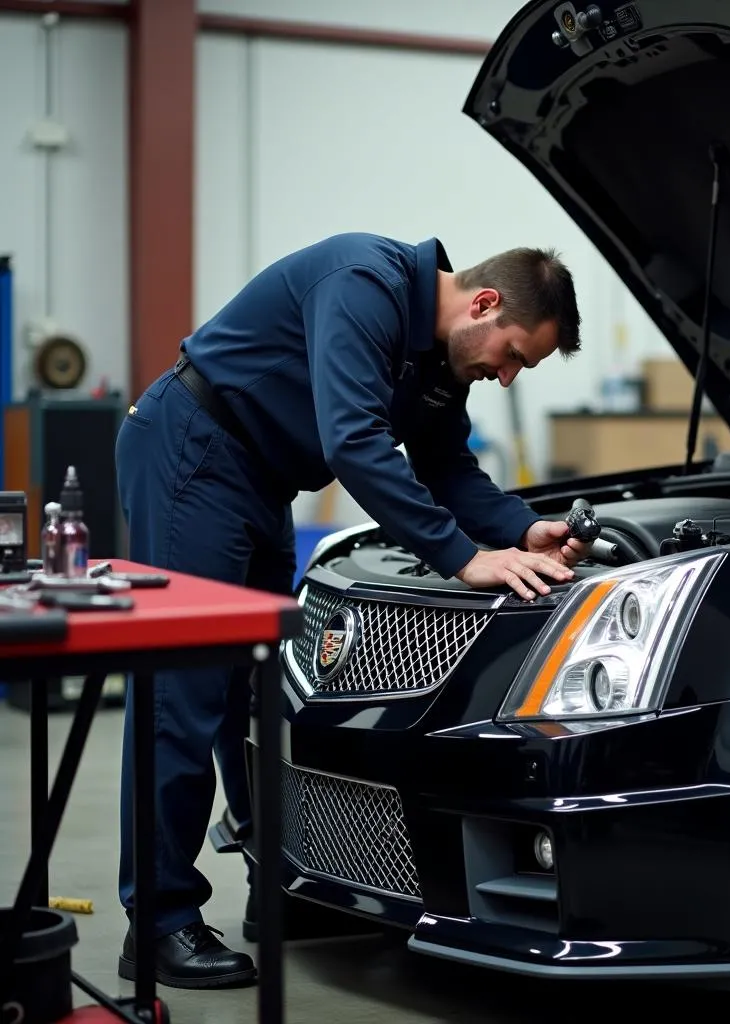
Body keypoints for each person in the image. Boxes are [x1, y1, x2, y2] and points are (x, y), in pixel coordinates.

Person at [113, 232, 587, 989]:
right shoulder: (363, 282)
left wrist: (519, 528)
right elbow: (355, 442)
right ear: (484, 304)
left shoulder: (437, 358)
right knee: (184, 695)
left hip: (260, 478)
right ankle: (159, 924)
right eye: (512, 356)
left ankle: (277, 888)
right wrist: (464, 558)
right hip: (192, 450)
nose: (504, 376)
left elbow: (447, 467)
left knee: (257, 695)